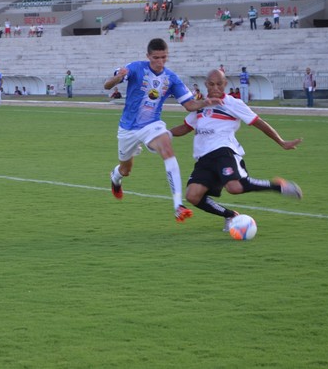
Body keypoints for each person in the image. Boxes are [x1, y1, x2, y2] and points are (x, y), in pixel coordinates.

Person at [103, 38, 223, 222]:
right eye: (156, 58)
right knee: (126, 169)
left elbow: (190, 104)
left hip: (152, 125)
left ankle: (178, 206)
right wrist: (118, 77)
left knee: (168, 150)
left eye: (163, 57)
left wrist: (205, 102)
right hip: (127, 128)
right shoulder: (135, 68)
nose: (160, 62)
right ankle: (116, 177)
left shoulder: (171, 78)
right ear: (148, 56)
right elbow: (107, 85)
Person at [169, 69, 302, 231]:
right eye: (211, 84)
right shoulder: (201, 106)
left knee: (235, 187)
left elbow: (258, 122)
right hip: (203, 158)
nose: (215, 88)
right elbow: (186, 127)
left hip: (224, 151)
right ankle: (230, 216)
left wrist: (281, 141)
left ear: (225, 84)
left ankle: (278, 186)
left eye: (219, 84)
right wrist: (166, 134)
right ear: (206, 85)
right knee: (192, 196)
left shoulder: (233, 104)